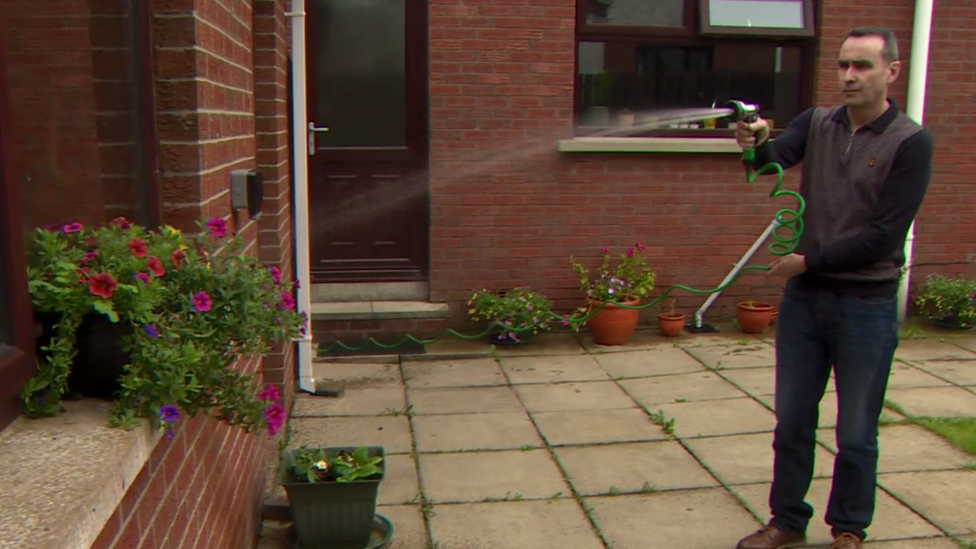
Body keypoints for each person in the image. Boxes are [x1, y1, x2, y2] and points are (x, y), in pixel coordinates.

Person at [732, 26, 934, 549]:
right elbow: (772, 159)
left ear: (891, 71)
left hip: (865, 303)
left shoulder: (911, 142)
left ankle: (848, 528)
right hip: (806, 304)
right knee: (793, 420)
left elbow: (885, 234)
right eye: (843, 65)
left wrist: (808, 261)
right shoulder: (817, 123)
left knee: (856, 432)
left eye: (862, 66)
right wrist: (753, 143)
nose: (848, 76)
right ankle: (786, 522)